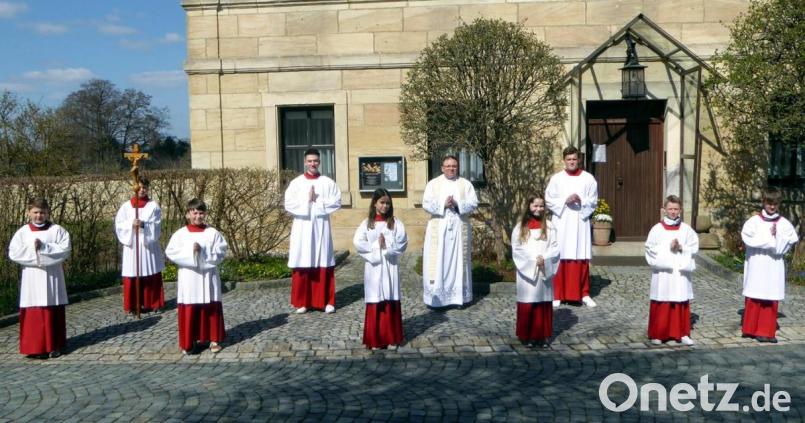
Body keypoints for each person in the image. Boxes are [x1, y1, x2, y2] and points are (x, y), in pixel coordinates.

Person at [8, 198, 71, 359]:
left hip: (52, 276)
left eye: (42, 212)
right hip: (32, 277)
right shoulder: (23, 232)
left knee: (52, 308)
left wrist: (44, 247)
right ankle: (35, 347)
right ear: (29, 212)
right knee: (33, 309)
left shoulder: (57, 230)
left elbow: (65, 250)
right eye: (35, 212)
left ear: (48, 212)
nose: (39, 216)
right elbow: (14, 252)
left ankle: (54, 345)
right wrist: (32, 249)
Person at [165, 198, 228, 354]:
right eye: (195, 213)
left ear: (205, 214)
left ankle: (213, 339)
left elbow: (221, 252)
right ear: (188, 214)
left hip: (208, 276)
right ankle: (189, 341)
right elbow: (171, 252)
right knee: (190, 307)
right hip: (189, 277)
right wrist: (190, 253)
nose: (198, 216)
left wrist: (203, 252)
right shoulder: (180, 234)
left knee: (210, 307)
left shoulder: (213, 233)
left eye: (201, 213)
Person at [284, 148, 342, 314]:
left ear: (319, 162)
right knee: (303, 260)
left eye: (315, 161)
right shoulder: (296, 183)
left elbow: (337, 201)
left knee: (323, 260)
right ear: (305, 162)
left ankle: (326, 301)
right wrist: (307, 200)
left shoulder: (327, 182)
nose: (312, 164)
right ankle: (303, 302)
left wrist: (318, 201)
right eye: (309, 161)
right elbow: (288, 204)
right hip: (302, 228)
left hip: (321, 228)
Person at [740, 187, 799, 343]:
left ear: (779, 204)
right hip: (757, 263)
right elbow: (748, 239)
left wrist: (777, 236)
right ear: (763, 202)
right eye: (769, 203)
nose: (772, 206)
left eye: (775, 203)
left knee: (769, 296)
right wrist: (770, 239)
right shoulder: (753, 222)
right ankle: (750, 329)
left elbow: (787, 243)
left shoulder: (784, 224)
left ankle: (766, 331)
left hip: (773, 265)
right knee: (755, 294)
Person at [353, 188, 408, 350]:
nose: (385, 206)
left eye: (388, 203)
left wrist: (387, 247)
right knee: (376, 299)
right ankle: (375, 339)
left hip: (390, 266)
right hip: (374, 267)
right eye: (382, 203)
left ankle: (392, 338)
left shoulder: (395, 223)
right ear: (375, 204)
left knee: (390, 297)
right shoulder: (367, 224)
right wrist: (377, 246)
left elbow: (403, 242)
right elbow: (358, 242)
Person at [421, 155, 479, 307]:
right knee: (439, 260)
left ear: (457, 167)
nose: (451, 168)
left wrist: (458, 203)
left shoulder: (465, 184)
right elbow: (426, 203)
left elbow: (474, 202)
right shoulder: (433, 184)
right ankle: (437, 300)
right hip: (439, 229)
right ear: (442, 168)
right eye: (448, 166)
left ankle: (459, 298)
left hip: (459, 229)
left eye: (454, 166)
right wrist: (444, 204)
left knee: (459, 261)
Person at [545, 146, 598, 308]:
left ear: (579, 160)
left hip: (580, 222)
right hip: (562, 222)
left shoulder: (588, 179)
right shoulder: (556, 179)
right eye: (568, 159)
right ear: (564, 161)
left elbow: (593, 200)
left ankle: (584, 293)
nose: (571, 162)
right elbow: (548, 199)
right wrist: (564, 201)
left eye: (574, 159)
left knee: (580, 255)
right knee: (560, 255)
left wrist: (582, 201)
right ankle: (558, 294)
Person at [644, 195, 699, 346]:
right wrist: (668, 248)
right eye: (670, 209)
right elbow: (650, 249)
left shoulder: (687, 229)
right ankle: (659, 333)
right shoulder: (656, 229)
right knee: (662, 299)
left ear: (680, 210)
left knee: (680, 299)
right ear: (664, 210)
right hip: (664, 273)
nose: (673, 212)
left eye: (676, 209)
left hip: (679, 273)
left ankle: (682, 333)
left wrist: (681, 247)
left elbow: (694, 247)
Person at [511, 195, 560, 348]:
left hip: (544, 269)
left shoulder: (550, 226)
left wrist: (544, 259)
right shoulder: (520, 227)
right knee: (529, 302)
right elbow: (517, 249)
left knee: (543, 302)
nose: (538, 209)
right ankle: (528, 336)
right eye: (535, 206)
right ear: (529, 206)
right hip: (527, 272)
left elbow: (555, 247)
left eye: (541, 206)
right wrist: (533, 261)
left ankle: (542, 335)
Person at [114, 177, 165, 315]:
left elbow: (156, 225)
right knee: (133, 273)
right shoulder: (126, 206)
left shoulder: (153, 206)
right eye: (140, 187)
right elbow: (119, 224)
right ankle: (133, 305)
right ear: (134, 187)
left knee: (150, 272)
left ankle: (152, 302)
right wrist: (130, 224)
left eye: (145, 187)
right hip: (132, 245)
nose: (142, 190)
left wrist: (144, 225)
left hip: (147, 245)